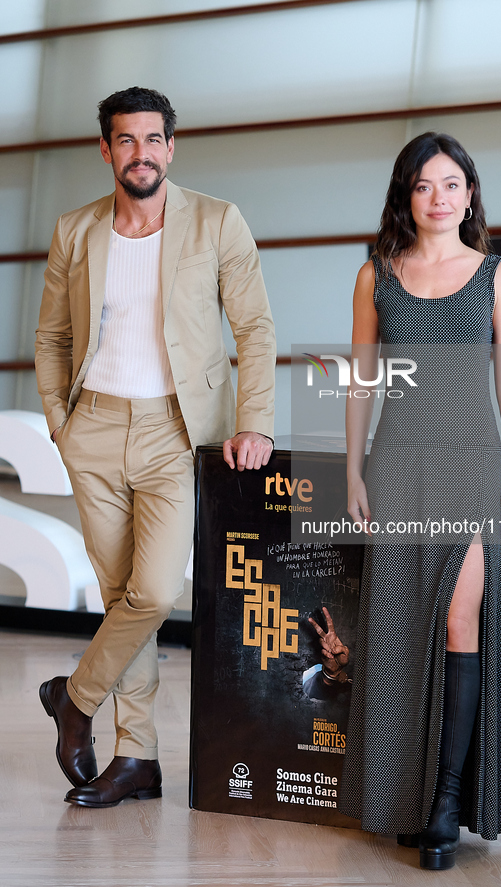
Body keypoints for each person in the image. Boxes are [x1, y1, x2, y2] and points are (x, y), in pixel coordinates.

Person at [35, 87, 275, 808]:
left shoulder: (216, 221)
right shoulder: (76, 230)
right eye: (125, 140)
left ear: (171, 147)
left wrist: (255, 419)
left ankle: (74, 698)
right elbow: (51, 338)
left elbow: (255, 327)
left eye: (153, 139)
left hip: (178, 432)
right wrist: (60, 423)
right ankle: (136, 756)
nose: (141, 153)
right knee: (118, 596)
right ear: (106, 150)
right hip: (94, 429)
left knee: (154, 591)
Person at [339, 132, 501, 870]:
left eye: (451, 184)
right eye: (423, 185)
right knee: (396, 626)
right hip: (395, 465)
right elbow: (359, 382)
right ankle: (405, 800)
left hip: (472, 466)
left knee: (458, 618)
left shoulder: (496, 276)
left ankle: (446, 801)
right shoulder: (374, 276)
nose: (439, 197)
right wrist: (351, 470)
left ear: (469, 194)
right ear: (405, 197)